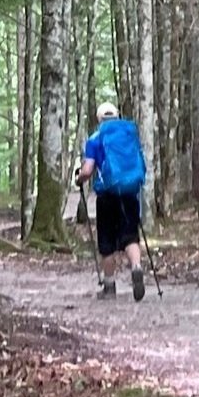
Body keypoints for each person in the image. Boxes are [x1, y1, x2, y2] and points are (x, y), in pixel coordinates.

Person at [79, 97, 147, 301]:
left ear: (99, 119)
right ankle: (136, 267)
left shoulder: (95, 138)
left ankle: (109, 287)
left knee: (107, 242)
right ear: (117, 116)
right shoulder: (128, 134)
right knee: (130, 235)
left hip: (107, 195)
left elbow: (88, 169)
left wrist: (79, 178)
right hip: (130, 191)